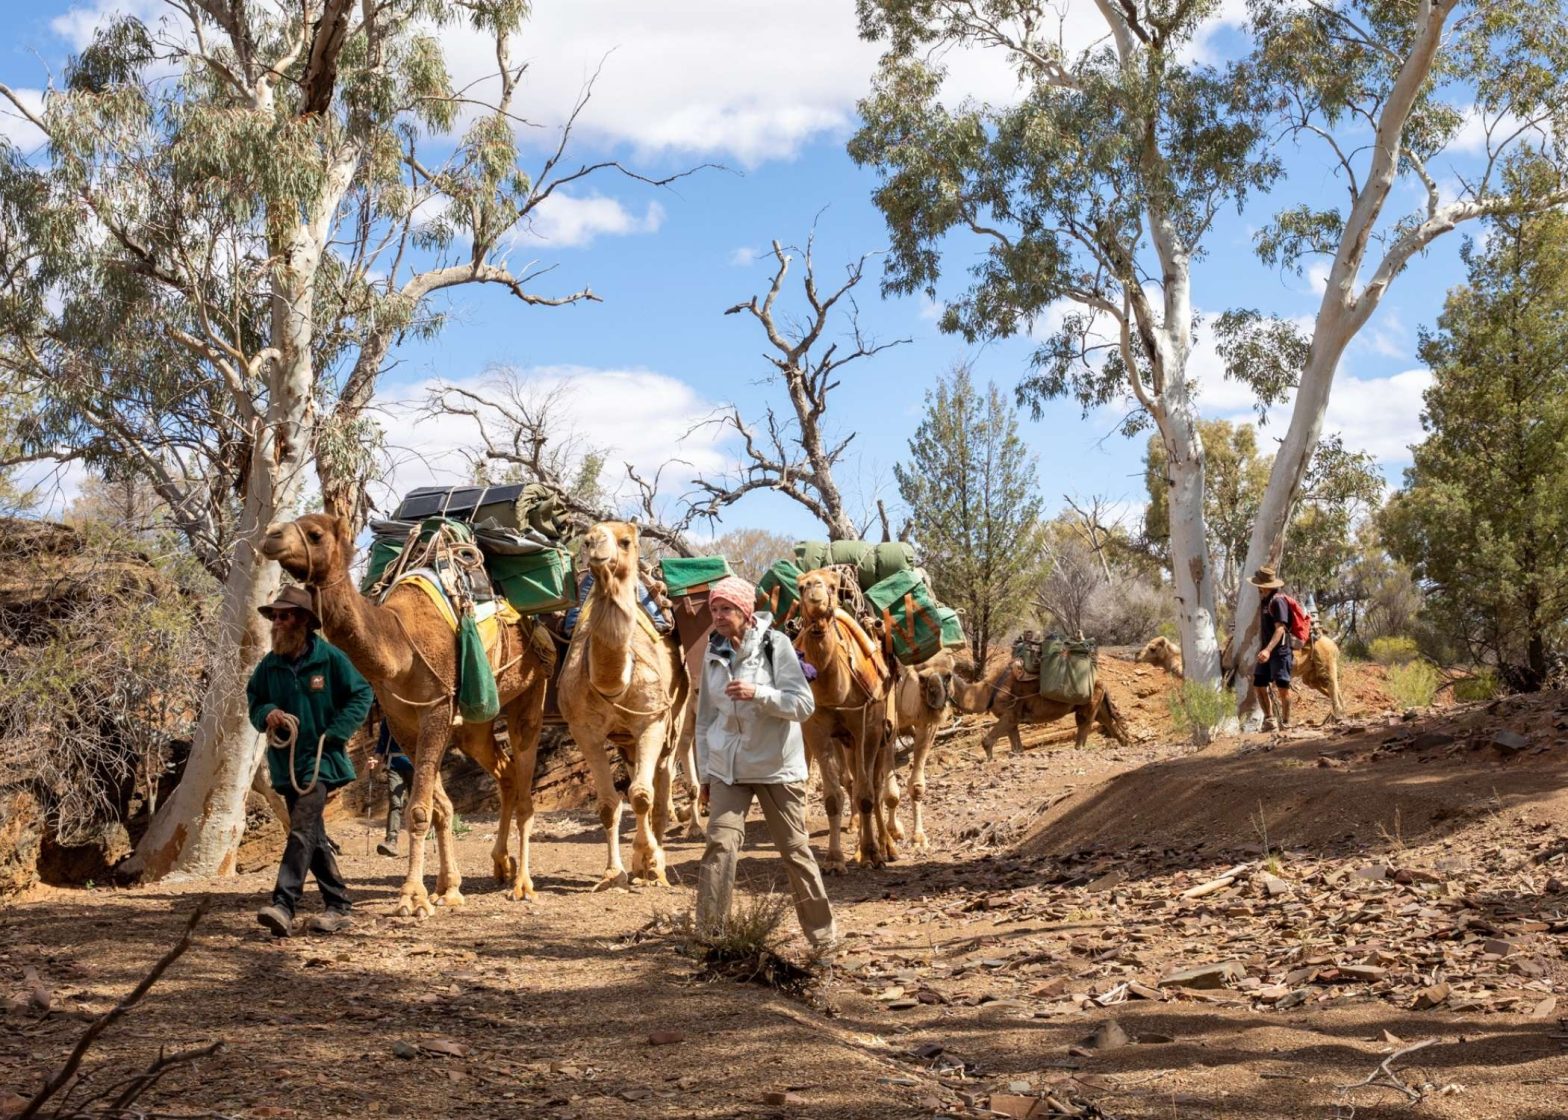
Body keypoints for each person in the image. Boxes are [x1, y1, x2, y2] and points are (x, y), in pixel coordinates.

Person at [694, 576, 838, 955]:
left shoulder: (777, 646)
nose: (719, 616)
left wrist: (759, 694)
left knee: (795, 851)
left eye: (726, 608)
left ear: (744, 611)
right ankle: (711, 940)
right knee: (719, 847)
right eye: (714, 609)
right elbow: (705, 720)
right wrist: (705, 774)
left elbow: (802, 705)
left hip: (777, 768)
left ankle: (823, 940)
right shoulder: (714, 653)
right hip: (729, 769)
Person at [247, 585, 374, 937]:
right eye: (274, 616)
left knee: (301, 829)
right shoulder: (269, 665)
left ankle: (283, 904)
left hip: (321, 760)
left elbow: (363, 692)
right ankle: (339, 905)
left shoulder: (330, 658)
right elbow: (254, 698)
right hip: (286, 763)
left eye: (284, 615)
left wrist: (336, 731)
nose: (277, 621)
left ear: (303, 620)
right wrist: (268, 712)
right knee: (313, 834)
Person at [1248, 564, 1293, 732]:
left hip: (1279, 652)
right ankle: (1270, 720)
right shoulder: (1265, 601)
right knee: (1259, 683)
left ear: (1263, 585)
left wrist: (1268, 650)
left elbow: (1280, 628)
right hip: (1266, 651)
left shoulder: (1278, 601)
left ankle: (1286, 723)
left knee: (1282, 688)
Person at [367, 717, 414, 858]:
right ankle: (391, 841)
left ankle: (417, 843)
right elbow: (382, 742)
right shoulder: (388, 720)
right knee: (395, 802)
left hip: (416, 765)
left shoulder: (415, 716)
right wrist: (375, 759)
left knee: (416, 804)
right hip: (394, 765)